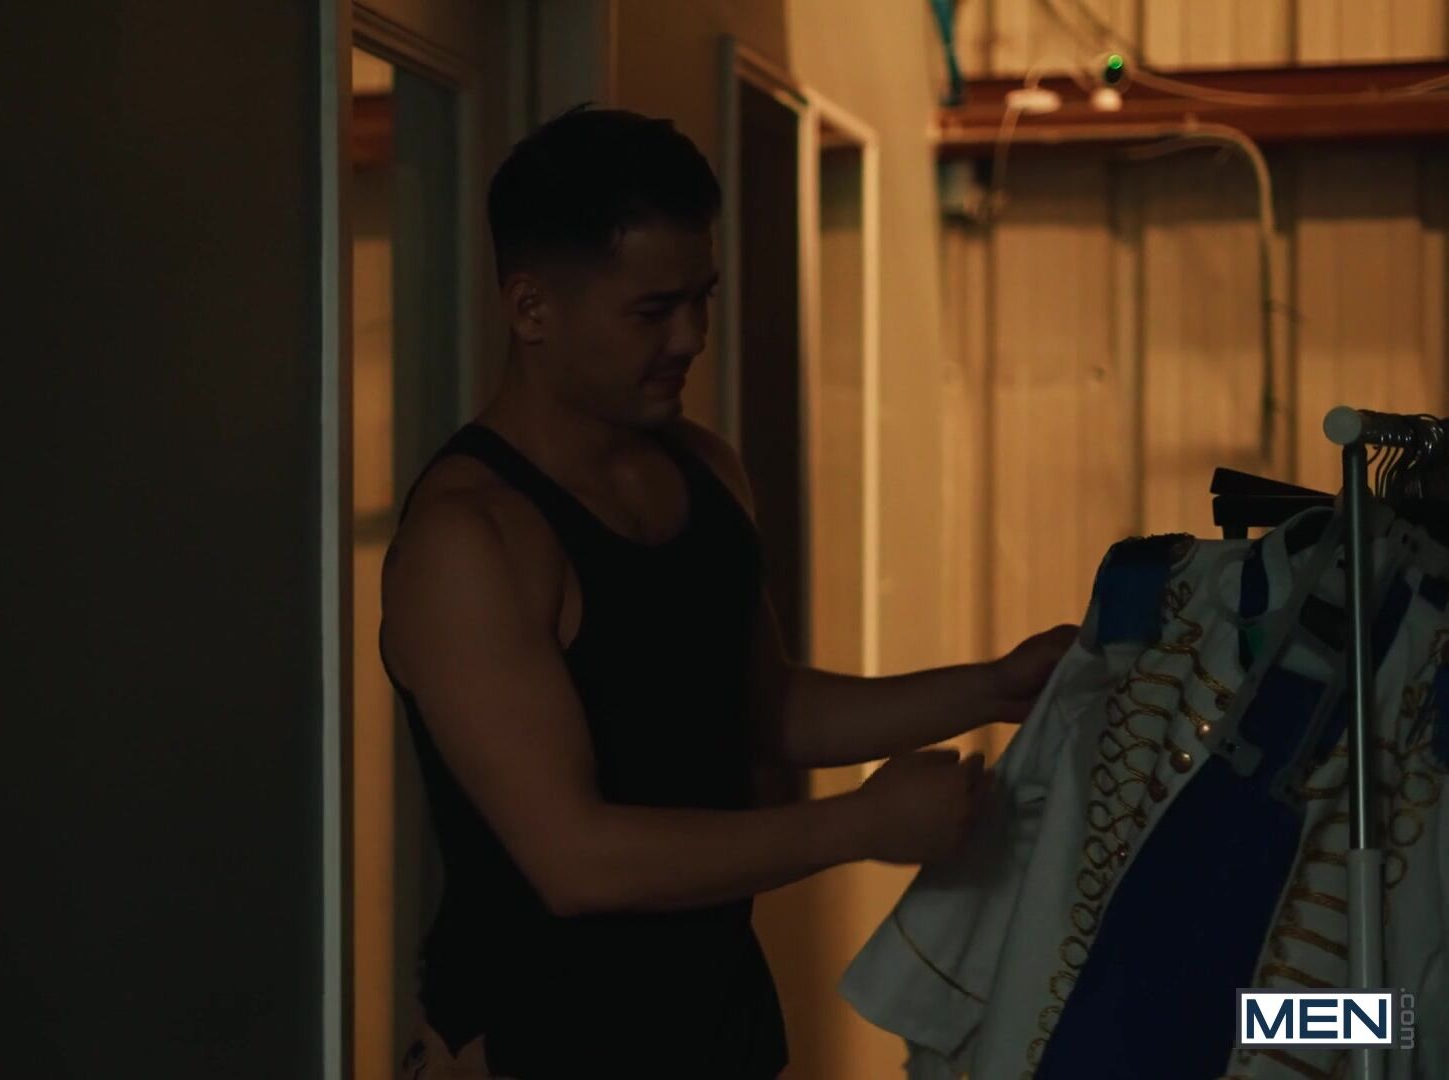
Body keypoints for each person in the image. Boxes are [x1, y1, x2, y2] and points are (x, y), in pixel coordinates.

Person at [380, 105, 1076, 1079]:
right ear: (531, 309)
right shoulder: (472, 537)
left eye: (701, 299)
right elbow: (575, 860)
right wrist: (858, 826)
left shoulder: (702, 468)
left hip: (718, 1030)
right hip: (534, 1048)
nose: (692, 336)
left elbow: (767, 709)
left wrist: (998, 687)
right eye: (653, 310)